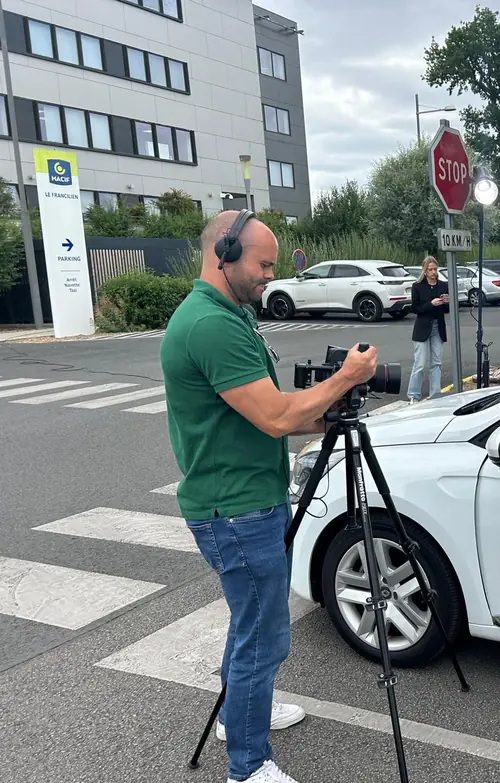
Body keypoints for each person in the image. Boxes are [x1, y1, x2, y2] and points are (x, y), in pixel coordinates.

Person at [160, 209, 378, 783]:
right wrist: (346, 378)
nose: (268, 276)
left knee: (248, 624)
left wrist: (324, 412)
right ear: (224, 254)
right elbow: (278, 416)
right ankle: (248, 767)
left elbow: (266, 416)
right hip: (235, 509)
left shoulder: (225, 316)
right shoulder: (210, 325)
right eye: (262, 264)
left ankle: (240, 717)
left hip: (243, 499)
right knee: (264, 637)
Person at [407, 256, 449, 403]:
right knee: (419, 363)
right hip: (423, 327)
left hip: (438, 326)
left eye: (435, 269)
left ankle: (435, 394)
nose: (433, 272)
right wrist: (431, 304)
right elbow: (415, 308)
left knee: (436, 362)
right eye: (430, 270)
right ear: (424, 271)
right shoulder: (417, 286)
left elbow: (447, 310)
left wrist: (445, 302)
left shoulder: (443, 285)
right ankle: (413, 395)